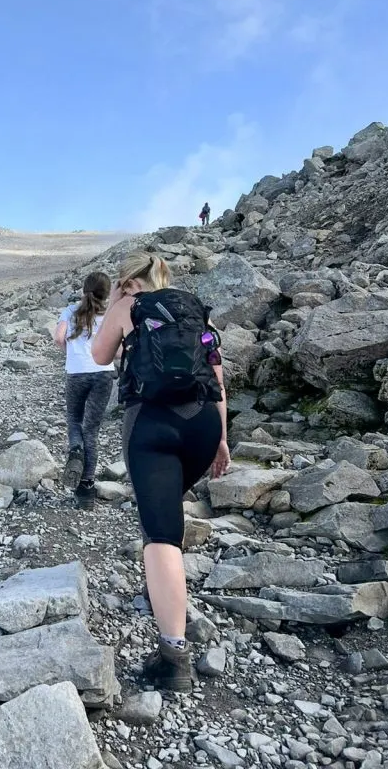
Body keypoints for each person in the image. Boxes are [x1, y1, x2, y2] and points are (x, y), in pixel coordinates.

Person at [91, 251, 229, 692]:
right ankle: (169, 594)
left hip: (151, 424)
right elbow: (216, 377)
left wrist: (116, 303)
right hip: (204, 423)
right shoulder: (192, 309)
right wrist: (222, 440)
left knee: (161, 535)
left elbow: (98, 355)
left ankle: (174, 659)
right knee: (167, 516)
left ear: (126, 279)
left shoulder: (126, 305)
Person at [54, 272, 115, 510]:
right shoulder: (110, 315)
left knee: (74, 419)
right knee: (92, 431)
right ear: (107, 293)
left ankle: (75, 450)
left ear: (84, 290)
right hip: (103, 373)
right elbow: (119, 350)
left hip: (76, 372)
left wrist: (72, 353)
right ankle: (86, 489)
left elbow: (58, 338)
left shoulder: (70, 311)